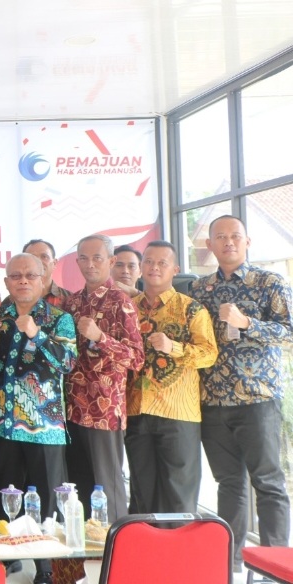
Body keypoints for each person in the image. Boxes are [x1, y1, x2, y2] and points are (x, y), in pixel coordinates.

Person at [191, 215, 293, 569]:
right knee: (228, 484)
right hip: (212, 400)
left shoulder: (268, 282)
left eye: (235, 236)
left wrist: (247, 323)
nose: (228, 242)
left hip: (257, 399)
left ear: (247, 241)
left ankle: (275, 567)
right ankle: (230, 565)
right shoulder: (199, 289)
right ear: (210, 245)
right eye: (220, 236)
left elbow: (289, 332)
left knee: (268, 482)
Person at [0, 253, 76, 584]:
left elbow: (67, 363)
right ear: (6, 281)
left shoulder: (59, 319)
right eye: (16, 276)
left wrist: (37, 335)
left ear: (43, 280)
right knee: (5, 495)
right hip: (4, 425)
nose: (23, 280)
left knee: (46, 501)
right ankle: (7, 558)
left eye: (30, 275)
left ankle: (45, 568)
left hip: (45, 428)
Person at [126, 241, 217, 515]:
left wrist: (173, 347)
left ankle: (179, 544)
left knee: (179, 494)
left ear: (175, 269)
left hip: (178, 412)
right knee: (142, 494)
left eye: (162, 263)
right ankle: (145, 543)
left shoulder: (191, 309)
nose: (154, 267)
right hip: (136, 408)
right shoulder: (128, 309)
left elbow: (209, 354)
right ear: (141, 267)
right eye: (148, 261)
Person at [63, 234, 144, 524]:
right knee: (78, 489)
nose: (90, 264)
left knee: (107, 489)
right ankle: (85, 550)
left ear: (110, 261)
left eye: (97, 258)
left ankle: (118, 548)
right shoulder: (72, 303)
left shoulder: (121, 302)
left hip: (104, 412)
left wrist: (101, 338)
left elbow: (136, 358)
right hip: (72, 408)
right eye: (84, 258)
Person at [22, 239, 71, 309]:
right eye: (32, 257)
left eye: (44, 256)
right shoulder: (13, 301)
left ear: (54, 263)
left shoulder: (70, 300)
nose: (38, 262)